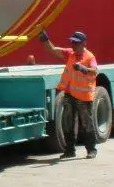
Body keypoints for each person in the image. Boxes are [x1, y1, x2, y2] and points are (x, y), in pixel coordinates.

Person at [38, 29, 99, 159]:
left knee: (86, 123)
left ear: (84, 44)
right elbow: (52, 49)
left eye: (76, 43)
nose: (73, 45)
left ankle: (91, 150)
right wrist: (44, 39)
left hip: (84, 97)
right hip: (70, 94)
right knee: (68, 123)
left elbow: (94, 71)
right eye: (72, 42)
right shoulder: (69, 54)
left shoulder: (90, 57)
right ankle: (69, 150)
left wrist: (83, 68)